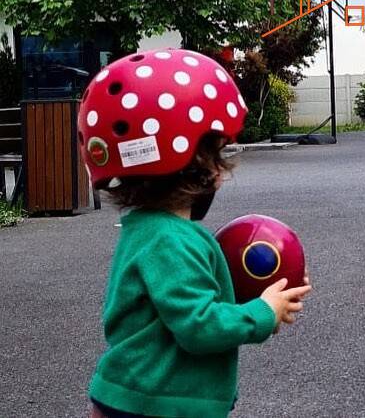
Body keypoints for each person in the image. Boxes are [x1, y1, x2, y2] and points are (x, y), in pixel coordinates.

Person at [77, 49, 312, 418]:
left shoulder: (149, 230)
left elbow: (183, 300)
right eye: (216, 155)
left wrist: (263, 295)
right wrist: (263, 313)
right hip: (155, 407)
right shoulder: (171, 241)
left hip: (137, 400)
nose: (221, 172)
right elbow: (198, 327)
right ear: (194, 166)